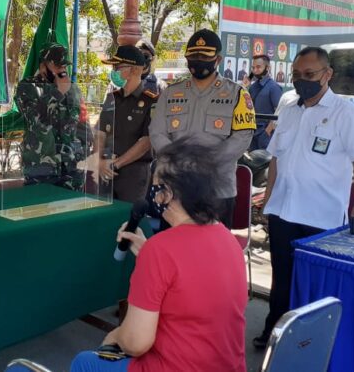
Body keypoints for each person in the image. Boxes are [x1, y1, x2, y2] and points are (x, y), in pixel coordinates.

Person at [70, 142, 247, 372]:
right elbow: (193, 279)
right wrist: (148, 252)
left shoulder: (160, 250)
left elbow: (135, 343)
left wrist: (116, 334)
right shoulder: (227, 238)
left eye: (154, 187)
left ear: (167, 193)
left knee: (84, 362)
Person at [253, 47, 354, 348]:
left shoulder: (347, 113)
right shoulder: (290, 111)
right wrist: (268, 201)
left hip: (321, 218)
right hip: (284, 211)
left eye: (309, 74)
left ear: (327, 74)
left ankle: (311, 342)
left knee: (316, 284)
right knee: (281, 279)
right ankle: (275, 333)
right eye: (297, 75)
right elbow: (275, 160)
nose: (301, 80)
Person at [149, 29, 255, 228]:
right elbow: (157, 132)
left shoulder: (238, 94)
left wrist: (203, 163)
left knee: (212, 254)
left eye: (204, 56)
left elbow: (242, 138)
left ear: (218, 59)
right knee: (173, 251)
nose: (198, 61)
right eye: (193, 57)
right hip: (175, 188)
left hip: (217, 191)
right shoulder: (171, 93)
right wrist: (180, 161)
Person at [15, 42, 84, 190]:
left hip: (70, 166)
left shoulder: (72, 89)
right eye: (58, 66)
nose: (62, 71)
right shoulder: (28, 87)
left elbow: (80, 125)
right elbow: (35, 120)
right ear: (43, 67)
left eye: (64, 67)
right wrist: (58, 92)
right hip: (41, 166)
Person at [96, 45, 159, 202]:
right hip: (106, 171)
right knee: (104, 220)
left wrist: (116, 164)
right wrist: (99, 160)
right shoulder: (112, 98)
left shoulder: (151, 101)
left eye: (119, 67)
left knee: (128, 222)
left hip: (133, 175)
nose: (114, 71)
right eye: (114, 67)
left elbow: (146, 142)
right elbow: (100, 133)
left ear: (136, 70)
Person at [248, 54, 283, 150]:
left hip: (265, 134)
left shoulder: (274, 87)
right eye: (253, 67)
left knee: (264, 163)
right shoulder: (252, 87)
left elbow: (279, 112)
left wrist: (267, 131)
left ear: (268, 68)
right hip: (252, 132)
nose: (255, 70)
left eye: (258, 67)